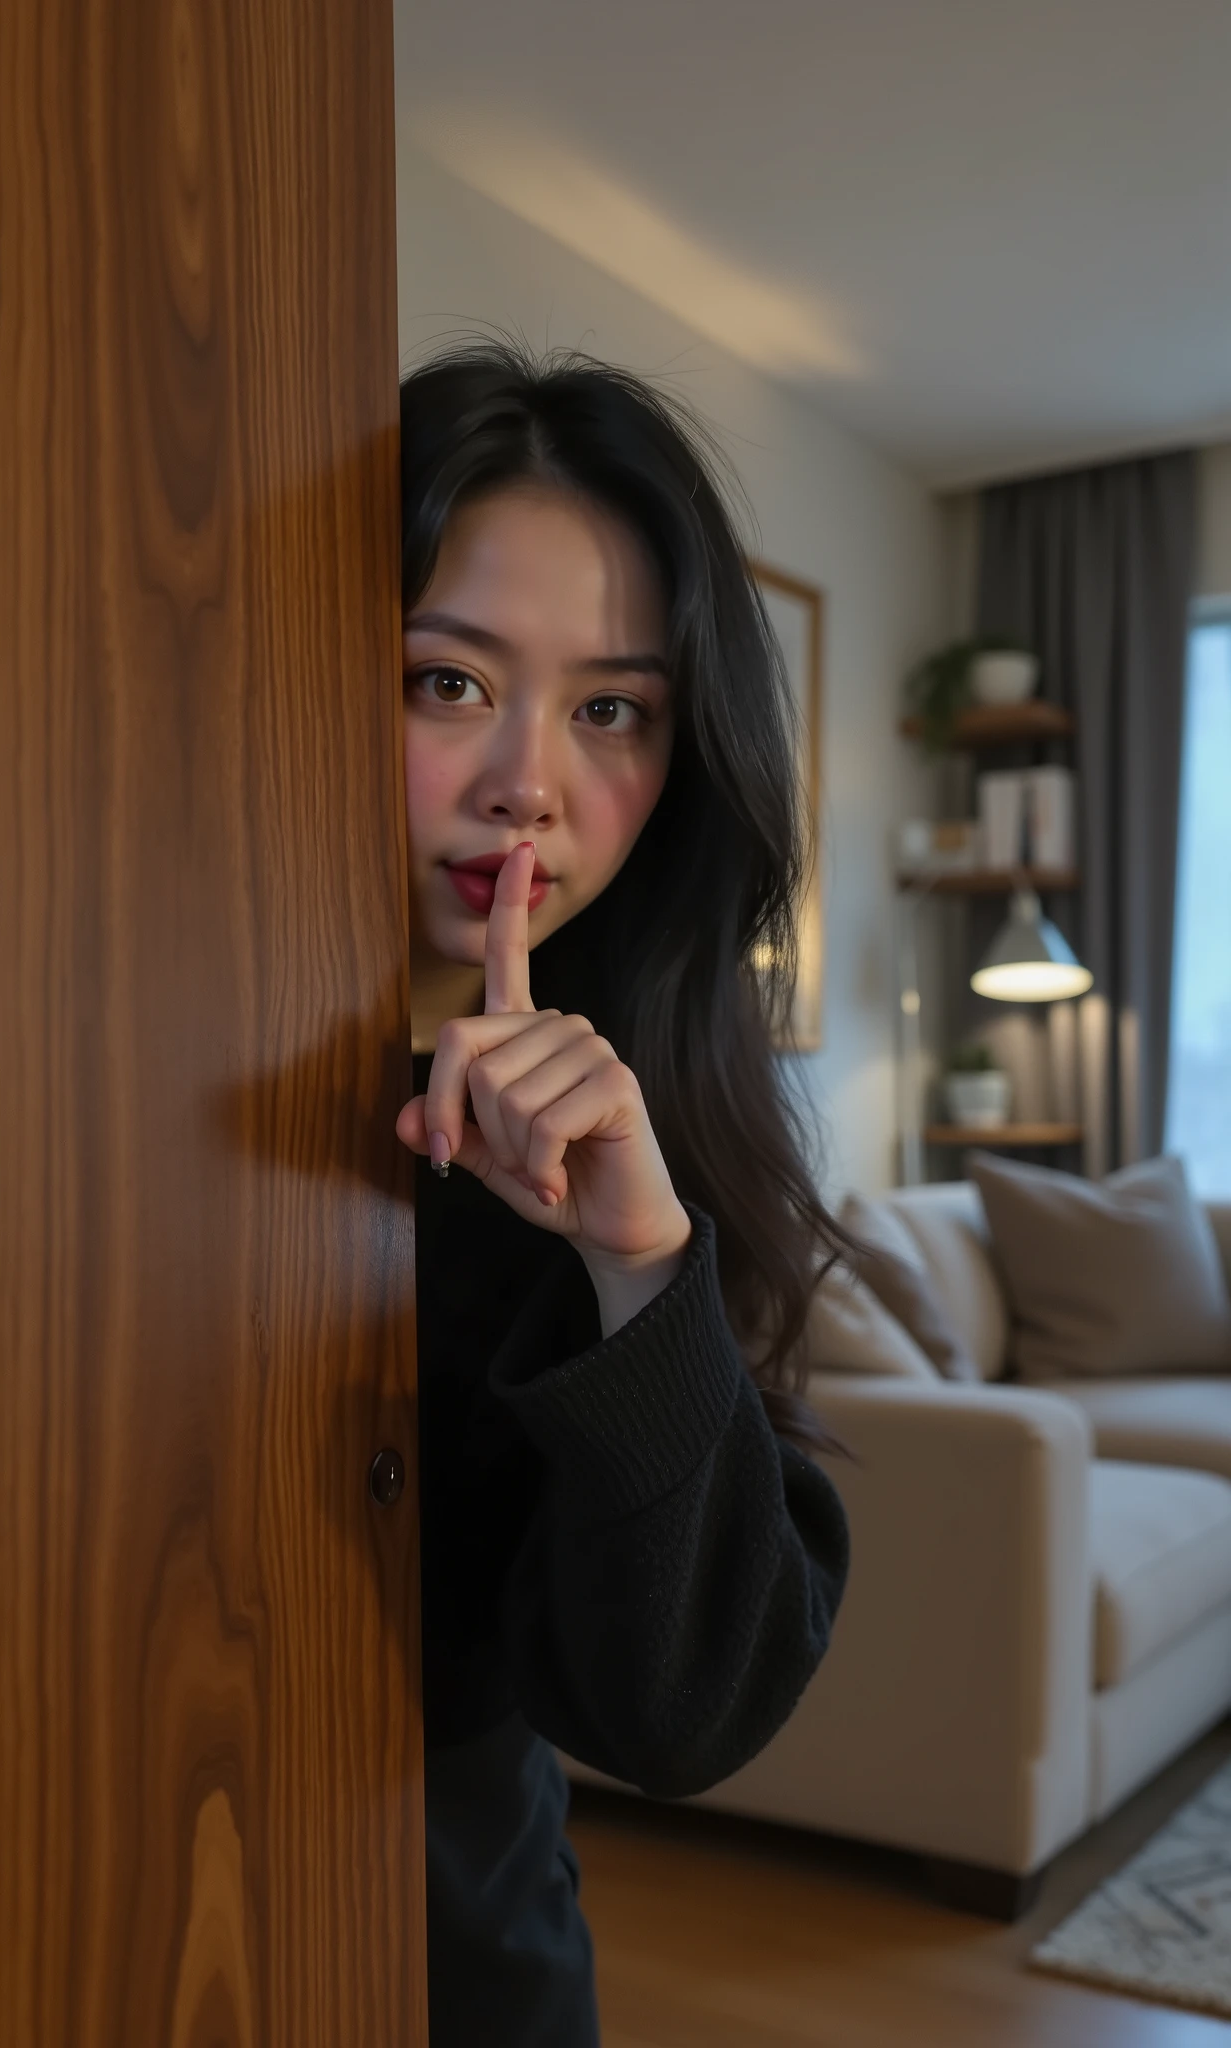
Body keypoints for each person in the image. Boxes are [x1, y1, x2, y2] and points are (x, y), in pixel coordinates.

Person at [394, 341, 852, 2047]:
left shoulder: (647, 1132)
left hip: (469, 1965)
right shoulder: (118, 1094)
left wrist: (636, 1262)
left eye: (610, 710)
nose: (529, 780)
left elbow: (684, 1712)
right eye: (448, 681)